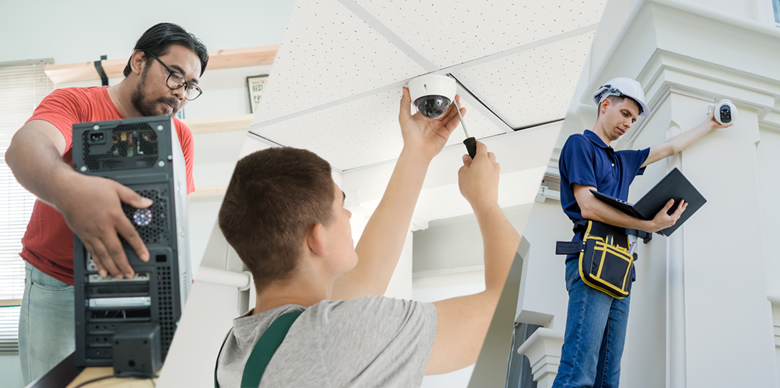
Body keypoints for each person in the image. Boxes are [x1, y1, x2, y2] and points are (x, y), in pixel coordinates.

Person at [215, 89, 521, 387]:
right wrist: (486, 201)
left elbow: (363, 279)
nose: (348, 216)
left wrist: (419, 151)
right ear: (317, 239)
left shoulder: (240, 348)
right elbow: (507, 310)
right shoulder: (333, 337)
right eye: (341, 207)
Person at [5, 22, 208, 384]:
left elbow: (177, 221)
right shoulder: (76, 103)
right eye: (175, 76)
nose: (180, 93)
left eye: (190, 86)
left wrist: (185, 292)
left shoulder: (180, 137)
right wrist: (72, 191)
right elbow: (25, 148)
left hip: (140, 284)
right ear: (139, 61)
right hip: (58, 284)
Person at [552, 77, 732, 388]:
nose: (629, 123)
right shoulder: (579, 145)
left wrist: (711, 124)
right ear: (605, 105)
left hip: (621, 268)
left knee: (607, 379)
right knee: (577, 375)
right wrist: (647, 225)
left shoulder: (623, 160)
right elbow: (588, 206)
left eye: (634, 120)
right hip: (592, 257)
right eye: (625, 114)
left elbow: (672, 146)